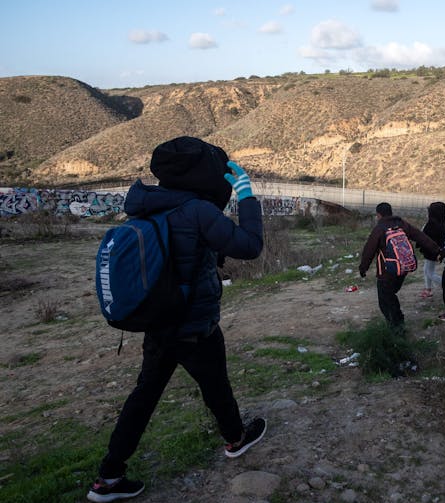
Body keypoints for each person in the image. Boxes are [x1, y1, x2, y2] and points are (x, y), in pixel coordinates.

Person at [87, 137, 267, 502]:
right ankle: (235, 439)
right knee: (216, 385)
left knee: (143, 397)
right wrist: (246, 194)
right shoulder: (197, 210)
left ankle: (108, 477)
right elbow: (249, 246)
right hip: (193, 325)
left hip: (158, 322)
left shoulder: (147, 205)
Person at [359, 202, 440, 333]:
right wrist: (437, 250)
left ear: (378, 215)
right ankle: (397, 323)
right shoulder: (402, 224)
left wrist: (363, 268)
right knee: (391, 295)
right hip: (403, 269)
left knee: (385, 301)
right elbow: (420, 236)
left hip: (386, 272)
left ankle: (397, 327)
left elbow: (369, 250)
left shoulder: (380, 229)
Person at [419, 201, 445, 299]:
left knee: (429, 272)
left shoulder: (431, 225)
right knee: (427, 270)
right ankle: (428, 289)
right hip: (435, 251)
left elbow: (423, 237)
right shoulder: (442, 223)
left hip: (432, 252)